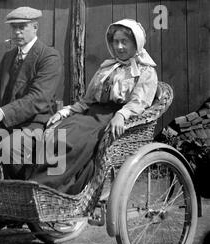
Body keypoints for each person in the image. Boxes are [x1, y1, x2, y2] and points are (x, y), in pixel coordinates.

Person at [27, 19, 158, 195]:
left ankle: (47, 188)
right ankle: (33, 183)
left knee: (72, 142)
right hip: (91, 113)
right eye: (115, 42)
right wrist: (67, 111)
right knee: (55, 133)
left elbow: (139, 101)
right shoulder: (107, 68)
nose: (119, 47)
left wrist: (122, 115)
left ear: (137, 43)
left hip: (112, 118)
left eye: (124, 42)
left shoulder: (146, 71)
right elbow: (88, 100)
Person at [0, 6, 62, 179]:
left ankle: (19, 193)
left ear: (35, 27)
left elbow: (37, 98)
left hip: (34, 125)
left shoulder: (48, 57)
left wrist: (2, 113)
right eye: (14, 27)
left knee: (8, 149)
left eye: (22, 27)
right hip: (6, 124)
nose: (17, 32)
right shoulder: (9, 57)